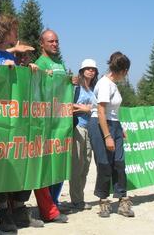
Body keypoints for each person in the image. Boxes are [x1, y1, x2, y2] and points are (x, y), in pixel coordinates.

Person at [0, 14, 44, 232]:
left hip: (15, 119)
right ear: (2, 31)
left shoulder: (10, 56)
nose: (16, 35)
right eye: (13, 30)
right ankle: (4, 212)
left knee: (22, 160)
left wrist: (27, 71)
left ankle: (20, 209)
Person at [88, 51, 135, 218]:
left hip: (113, 124)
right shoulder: (105, 83)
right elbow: (100, 111)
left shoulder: (114, 84)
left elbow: (112, 111)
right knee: (104, 163)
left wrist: (118, 127)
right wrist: (107, 136)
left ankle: (122, 199)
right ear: (123, 70)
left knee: (119, 161)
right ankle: (103, 201)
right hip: (100, 125)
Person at [33, 29, 69, 223]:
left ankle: (54, 202)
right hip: (45, 123)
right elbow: (35, 90)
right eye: (51, 41)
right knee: (45, 167)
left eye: (57, 41)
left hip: (60, 122)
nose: (55, 44)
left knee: (59, 164)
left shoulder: (60, 63)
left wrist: (70, 81)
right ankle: (47, 209)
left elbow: (63, 89)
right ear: (42, 44)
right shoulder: (40, 63)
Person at [69, 59, 98, 211]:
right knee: (77, 165)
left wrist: (89, 109)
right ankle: (76, 200)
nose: (90, 71)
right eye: (87, 68)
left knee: (86, 164)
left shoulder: (93, 89)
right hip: (78, 128)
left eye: (93, 69)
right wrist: (85, 108)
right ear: (82, 71)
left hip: (90, 128)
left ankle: (79, 198)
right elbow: (67, 104)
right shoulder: (76, 87)